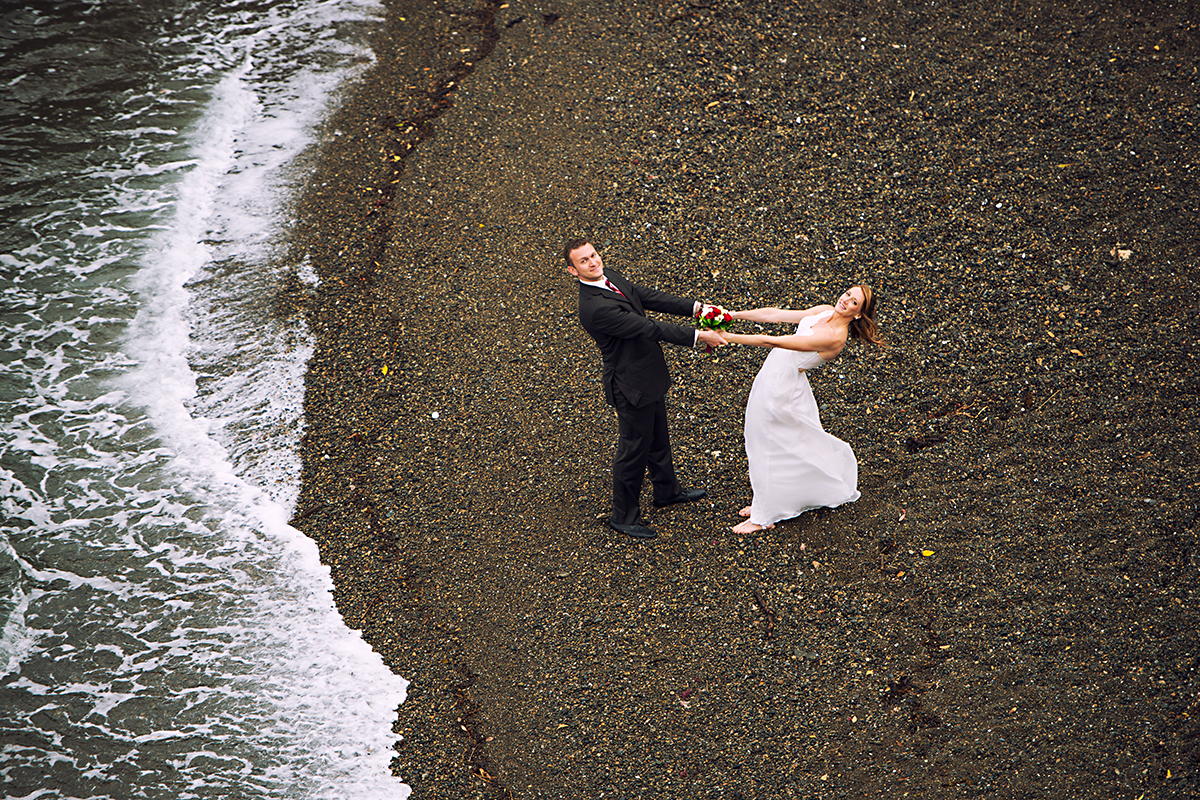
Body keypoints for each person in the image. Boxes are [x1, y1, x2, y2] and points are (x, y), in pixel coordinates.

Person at [565, 238, 728, 540]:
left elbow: (644, 296)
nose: (593, 262)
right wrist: (698, 335)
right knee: (633, 451)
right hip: (630, 385)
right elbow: (648, 327)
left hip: (648, 375)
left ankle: (667, 492)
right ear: (573, 271)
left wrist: (696, 307)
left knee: (658, 438)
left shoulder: (608, 275)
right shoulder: (594, 308)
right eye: (584, 261)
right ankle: (623, 516)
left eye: (594, 255)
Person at [723, 285, 882, 534]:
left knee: (764, 443)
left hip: (780, 389)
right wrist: (732, 315)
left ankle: (764, 516)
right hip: (774, 377)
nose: (846, 300)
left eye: (854, 303)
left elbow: (773, 340)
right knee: (775, 442)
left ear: (859, 314)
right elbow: (775, 315)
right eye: (848, 294)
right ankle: (766, 500)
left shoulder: (835, 336)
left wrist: (728, 338)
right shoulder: (824, 311)